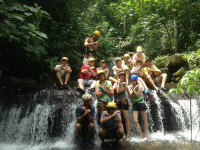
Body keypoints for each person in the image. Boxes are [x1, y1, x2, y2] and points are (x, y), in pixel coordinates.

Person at [127, 75, 148, 139]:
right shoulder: (129, 87)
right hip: (134, 105)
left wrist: (133, 89)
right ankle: (140, 133)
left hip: (141, 103)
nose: (133, 81)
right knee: (135, 120)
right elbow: (130, 95)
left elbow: (137, 95)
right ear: (130, 81)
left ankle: (146, 135)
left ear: (136, 81)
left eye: (134, 80)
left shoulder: (139, 86)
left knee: (144, 119)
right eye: (132, 80)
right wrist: (131, 89)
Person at [113, 72, 130, 140]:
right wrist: (118, 83)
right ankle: (123, 135)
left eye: (123, 78)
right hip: (117, 102)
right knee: (119, 119)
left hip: (124, 102)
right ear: (118, 78)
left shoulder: (125, 85)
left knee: (126, 118)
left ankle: (128, 135)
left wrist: (119, 84)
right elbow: (113, 89)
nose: (122, 79)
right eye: (120, 77)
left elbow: (118, 91)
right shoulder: (116, 83)